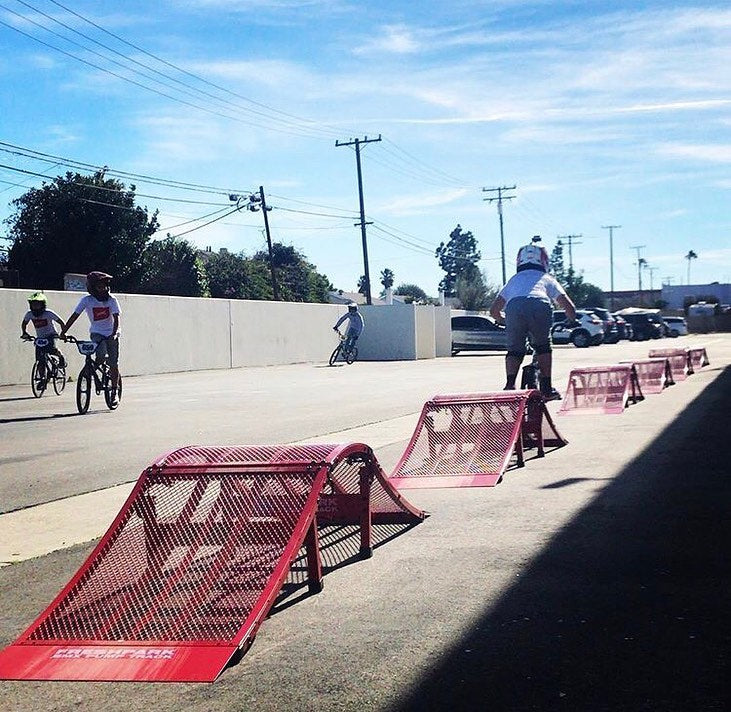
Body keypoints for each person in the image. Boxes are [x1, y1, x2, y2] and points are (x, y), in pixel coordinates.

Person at [489, 236, 576, 400]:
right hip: (539, 305)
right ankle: (547, 388)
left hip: (514, 308)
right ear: (544, 261)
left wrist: (504, 321)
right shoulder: (547, 279)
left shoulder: (514, 280)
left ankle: (509, 385)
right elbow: (569, 306)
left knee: (514, 350)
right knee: (543, 347)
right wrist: (571, 319)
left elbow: (494, 310)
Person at [61, 271, 121, 398]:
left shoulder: (112, 300)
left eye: (104, 286)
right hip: (96, 333)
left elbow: (116, 318)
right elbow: (74, 316)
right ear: (93, 288)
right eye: (99, 287)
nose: (103, 289)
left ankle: (114, 390)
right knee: (99, 356)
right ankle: (96, 367)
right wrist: (63, 332)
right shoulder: (87, 300)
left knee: (113, 363)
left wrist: (114, 333)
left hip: (111, 333)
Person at [20, 291, 67, 381]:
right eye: (33, 304)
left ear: (43, 305)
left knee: (52, 350)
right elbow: (24, 323)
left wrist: (63, 333)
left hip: (51, 335)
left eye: (37, 304)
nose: (35, 307)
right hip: (40, 337)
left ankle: (61, 357)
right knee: (40, 359)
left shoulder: (48, 313)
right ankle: (42, 378)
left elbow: (61, 322)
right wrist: (24, 333)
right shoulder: (29, 314)